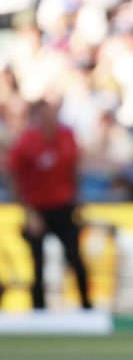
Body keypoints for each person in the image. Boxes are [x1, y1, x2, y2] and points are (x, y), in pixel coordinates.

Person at [6, 99, 92, 310]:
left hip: (63, 207)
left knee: (75, 257)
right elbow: (13, 177)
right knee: (37, 262)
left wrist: (78, 198)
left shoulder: (66, 137)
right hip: (37, 209)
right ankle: (39, 310)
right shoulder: (26, 142)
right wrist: (28, 212)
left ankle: (87, 306)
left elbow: (74, 168)